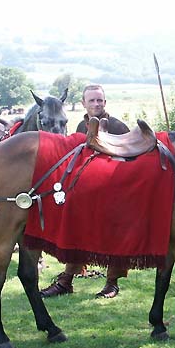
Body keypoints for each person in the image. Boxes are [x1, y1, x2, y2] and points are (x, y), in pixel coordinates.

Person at [40, 84, 130, 299]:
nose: (97, 104)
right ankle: (66, 281)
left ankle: (111, 283)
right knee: (77, 234)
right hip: (84, 194)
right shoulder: (81, 126)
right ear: (83, 104)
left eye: (100, 100)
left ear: (105, 102)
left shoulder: (119, 127)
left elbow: (131, 161)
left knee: (113, 237)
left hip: (113, 194)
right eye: (92, 100)